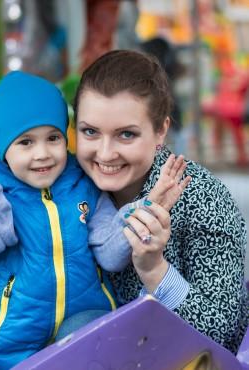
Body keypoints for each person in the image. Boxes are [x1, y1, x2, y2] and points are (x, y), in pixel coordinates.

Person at [0, 71, 189, 369]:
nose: (43, 154)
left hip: (85, 320)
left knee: (87, 338)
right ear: (3, 148)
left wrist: (145, 208)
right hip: (18, 331)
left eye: (53, 138)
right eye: (26, 142)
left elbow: (110, 255)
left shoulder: (82, 183)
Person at [70, 49, 248, 354]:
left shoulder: (202, 199)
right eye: (90, 132)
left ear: (161, 130)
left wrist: (154, 269)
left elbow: (223, 336)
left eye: (126, 134)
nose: (105, 153)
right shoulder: (66, 188)